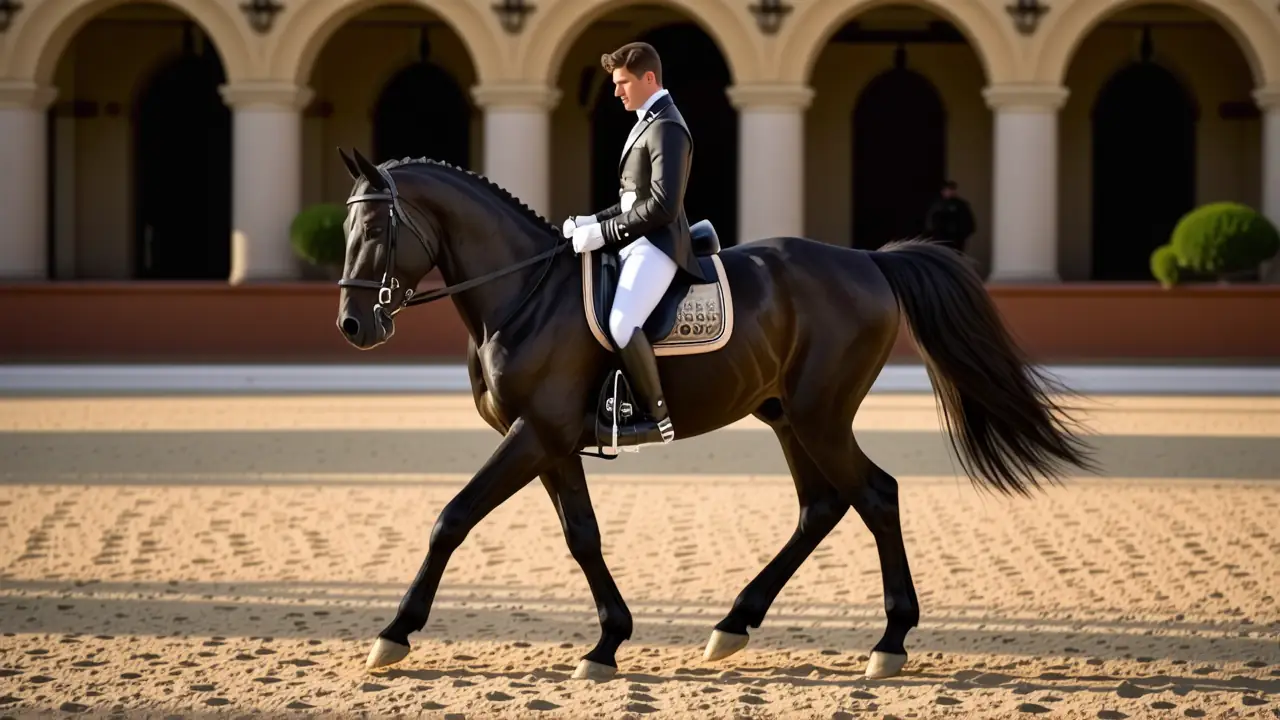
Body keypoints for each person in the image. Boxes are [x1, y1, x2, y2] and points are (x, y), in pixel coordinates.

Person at [561, 41, 708, 447]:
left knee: (622, 322)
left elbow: (662, 206)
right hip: (634, 238)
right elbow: (633, 200)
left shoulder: (668, 127)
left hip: (657, 244)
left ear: (649, 79)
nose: (616, 91)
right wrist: (594, 219)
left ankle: (654, 416)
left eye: (623, 82)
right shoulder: (648, 121)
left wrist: (604, 234)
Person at [924, 181, 977, 254]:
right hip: (941, 239)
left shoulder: (961, 205)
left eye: (953, 189)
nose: (951, 192)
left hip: (957, 239)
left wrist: (963, 234)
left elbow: (968, 221)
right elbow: (931, 222)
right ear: (943, 191)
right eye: (948, 190)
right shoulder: (937, 205)